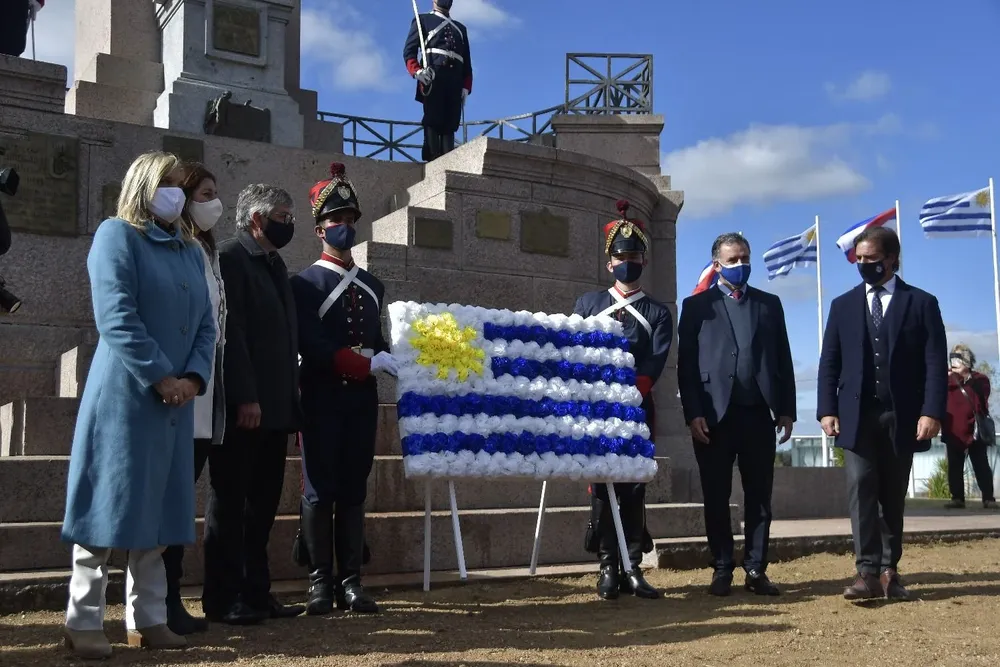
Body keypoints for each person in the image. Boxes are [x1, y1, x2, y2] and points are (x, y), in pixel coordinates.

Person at [61, 151, 216, 659]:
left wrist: (193, 378)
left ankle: (147, 619)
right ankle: (82, 620)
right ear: (143, 186)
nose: (175, 192)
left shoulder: (191, 250)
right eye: (166, 183)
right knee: (106, 510)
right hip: (126, 398)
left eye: (180, 183)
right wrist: (161, 376)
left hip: (174, 404)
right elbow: (116, 316)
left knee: (158, 518)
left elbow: (205, 327)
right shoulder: (116, 236)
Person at [290, 163, 398, 615]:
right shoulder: (304, 283)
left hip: (359, 402)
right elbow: (311, 344)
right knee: (320, 489)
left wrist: (390, 355)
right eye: (337, 221)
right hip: (320, 396)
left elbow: (380, 338)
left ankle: (351, 581)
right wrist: (362, 362)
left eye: (351, 220)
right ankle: (319, 583)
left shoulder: (373, 285)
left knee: (354, 487)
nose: (346, 228)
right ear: (320, 229)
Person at [817, 226, 947, 602]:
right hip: (855, 415)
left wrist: (931, 411)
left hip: (902, 416)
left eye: (871, 259)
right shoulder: (842, 305)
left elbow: (935, 362)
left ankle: (890, 571)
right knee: (861, 487)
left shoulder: (921, 303)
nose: (863, 265)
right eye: (859, 259)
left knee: (892, 494)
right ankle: (866, 572)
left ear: (892, 259)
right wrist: (826, 408)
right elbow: (830, 362)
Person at [203, 184, 304, 624]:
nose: (289, 222)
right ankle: (224, 597)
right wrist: (246, 395)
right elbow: (232, 334)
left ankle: (258, 593)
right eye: (282, 215)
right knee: (231, 505)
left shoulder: (274, 262)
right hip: (245, 408)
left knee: (262, 507)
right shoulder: (230, 258)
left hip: (276, 409)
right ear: (257, 219)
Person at [677, 232, 795, 597]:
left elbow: (783, 359)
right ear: (717, 265)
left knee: (760, 497)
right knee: (716, 496)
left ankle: (757, 568)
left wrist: (787, 409)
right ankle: (722, 567)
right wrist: (692, 412)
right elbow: (686, 367)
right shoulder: (696, 307)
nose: (740, 264)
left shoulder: (769, 304)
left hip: (759, 415)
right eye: (732, 259)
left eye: (744, 257)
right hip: (714, 417)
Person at [576, 200, 672, 601]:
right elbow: (577, 352)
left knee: (633, 488)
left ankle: (633, 567)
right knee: (602, 488)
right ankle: (606, 568)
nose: (626, 262)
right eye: (621, 256)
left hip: (635, 409)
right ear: (609, 261)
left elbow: (655, 360)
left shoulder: (657, 311)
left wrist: (629, 393)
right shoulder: (589, 304)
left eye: (633, 256)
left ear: (644, 260)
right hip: (598, 410)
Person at [160, 163, 228, 636]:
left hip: (205, 388)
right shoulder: (176, 247)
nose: (213, 202)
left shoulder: (207, 249)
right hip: (178, 389)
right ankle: (162, 597)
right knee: (170, 496)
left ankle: (169, 595)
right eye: (205, 193)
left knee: (185, 493)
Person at [403, 0, 473, 162]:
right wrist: (417, 71)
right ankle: (433, 157)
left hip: (455, 81)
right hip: (434, 76)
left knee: (450, 122)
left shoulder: (460, 29)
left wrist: (466, 86)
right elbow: (409, 51)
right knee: (433, 119)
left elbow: (467, 63)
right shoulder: (423, 20)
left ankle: (448, 159)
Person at [942, 344, 997, 509]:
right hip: (953, 430)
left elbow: (982, 400)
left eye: (959, 358)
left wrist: (966, 377)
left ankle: (988, 498)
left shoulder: (980, 379)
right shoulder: (947, 380)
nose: (954, 362)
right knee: (954, 466)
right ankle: (957, 498)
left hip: (975, 430)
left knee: (981, 465)